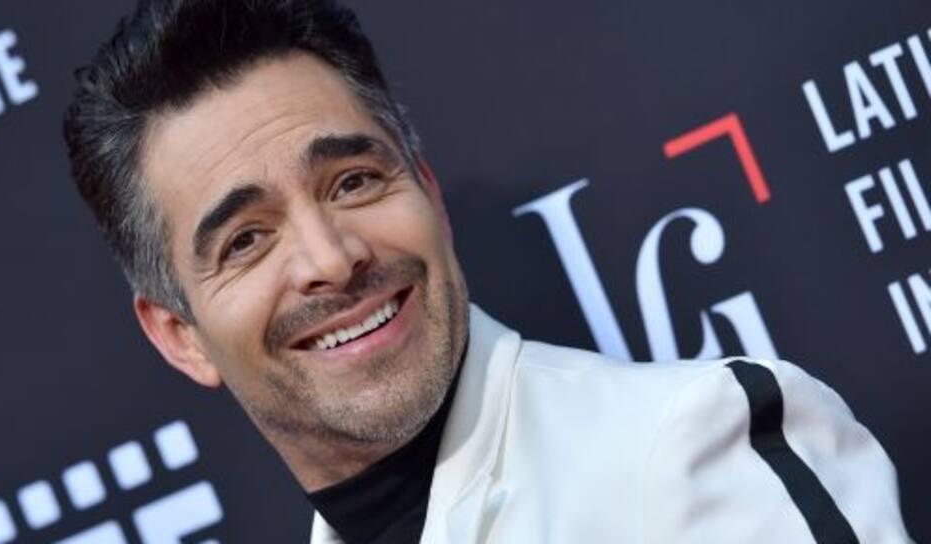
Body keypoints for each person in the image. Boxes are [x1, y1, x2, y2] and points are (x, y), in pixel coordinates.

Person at [62, 1, 912, 542]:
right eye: (246, 240)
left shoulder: (686, 448)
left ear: (427, 192)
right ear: (179, 336)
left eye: (353, 182)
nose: (331, 258)